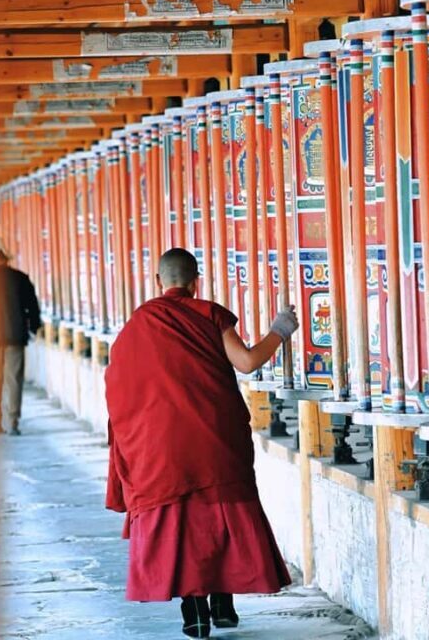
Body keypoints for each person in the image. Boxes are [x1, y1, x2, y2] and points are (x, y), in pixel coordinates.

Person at [105, 247, 299, 639]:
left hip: (160, 449)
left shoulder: (138, 324)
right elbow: (245, 362)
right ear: (196, 282)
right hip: (214, 439)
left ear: (158, 282)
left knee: (181, 523)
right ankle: (223, 601)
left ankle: (194, 612)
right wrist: (279, 330)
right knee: (220, 517)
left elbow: (117, 386)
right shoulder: (209, 314)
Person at [0, 237, 41, 436]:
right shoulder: (21, 279)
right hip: (15, 336)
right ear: (6, 259)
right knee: (14, 380)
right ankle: (13, 421)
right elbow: (33, 307)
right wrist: (34, 327)